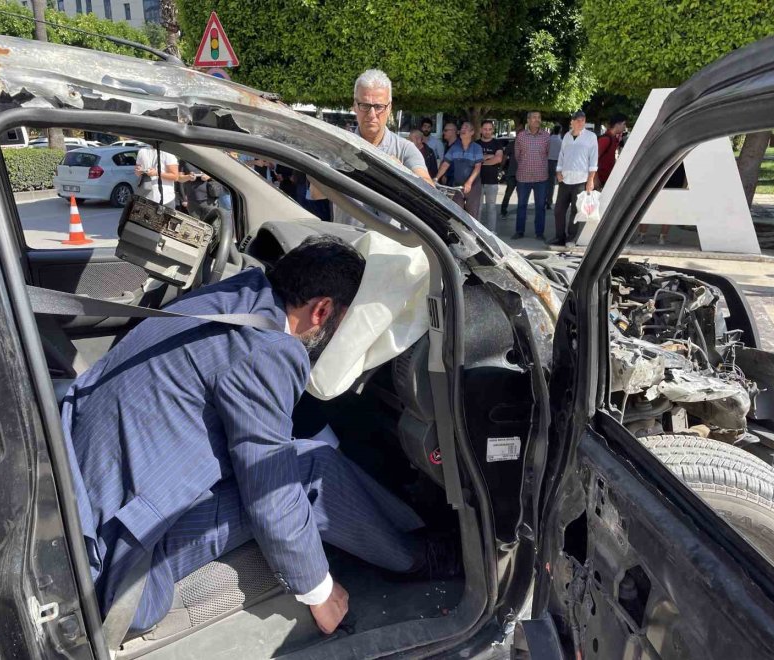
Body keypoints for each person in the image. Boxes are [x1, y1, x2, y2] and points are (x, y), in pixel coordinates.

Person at [62, 237, 456, 637]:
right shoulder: (267, 349)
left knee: (308, 461)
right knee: (307, 475)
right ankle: (415, 559)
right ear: (321, 310)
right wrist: (319, 591)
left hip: (90, 502)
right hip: (122, 572)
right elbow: (273, 495)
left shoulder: (233, 298)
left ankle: (411, 536)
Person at [350, 69, 432, 184]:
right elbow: (318, 195)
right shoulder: (339, 145)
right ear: (355, 106)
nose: (372, 114)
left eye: (378, 107)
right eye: (364, 105)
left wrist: (402, 175)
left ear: (389, 108)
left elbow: (429, 190)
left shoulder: (405, 149)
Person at [551, 110, 598, 246]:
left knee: (575, 211)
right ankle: (559, 237)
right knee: (559, 210)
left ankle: (571, 238)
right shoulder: (566, 136)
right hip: (565, 179)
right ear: (572, 122)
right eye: (578, 120)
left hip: (581, 179)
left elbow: (593, 160)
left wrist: (590, 180)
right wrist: (558, 171)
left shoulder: (591, 137)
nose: (580, 122)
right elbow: (562, 155)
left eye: (583, 120)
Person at [513, 111, 550, 240]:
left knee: (540, 207)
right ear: (528, 120)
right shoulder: (521, 136)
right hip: (523, 177)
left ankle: (539, 233)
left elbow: (547, 154)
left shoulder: (546, 137)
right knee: (521, 205)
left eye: (539, 117)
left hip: (541, 178)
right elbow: (517, 155)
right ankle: (519, 231)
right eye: (534, 117)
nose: (537, 120)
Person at [435, 122, 483, 219]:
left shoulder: (477, 148)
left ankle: (471, 233)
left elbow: (478, 167)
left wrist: (469, 183)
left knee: (472, 214)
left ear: (472, 132)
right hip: (457, 186)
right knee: (456, 213)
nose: (463, 129)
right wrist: (436, 178)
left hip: (473, 186)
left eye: (466, 127)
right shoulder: (454, 147)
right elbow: (445, 164)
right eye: (462, 127)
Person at [477, 120, 504, 232]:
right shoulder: (476, 144)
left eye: (489, 129)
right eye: (485, 129)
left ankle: (491, 232)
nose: (487, 131)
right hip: (477, 181)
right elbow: (474, 159)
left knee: (491, 208)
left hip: (492, 181)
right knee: (477, 208)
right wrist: (490, 156)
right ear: (481, 130)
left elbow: (498, 158)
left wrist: (482, 161)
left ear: (493, 130)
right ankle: (475, 232)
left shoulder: (497, 143)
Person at [596, 113, 627, 189]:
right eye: (624, 124)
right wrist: (594, 178)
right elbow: (592, 159)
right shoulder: (606, 139)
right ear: (617, 124)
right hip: (599, 181)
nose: (625, 127)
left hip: (605, 180)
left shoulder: (612, 139)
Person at [499, 121, 519, 218]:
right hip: (512, 173)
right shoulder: (512, 144)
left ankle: (506, 210)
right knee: (508, 194)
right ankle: (503, 210)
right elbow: (504, 156)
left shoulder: (525, 144)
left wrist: (501, 168)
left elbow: (504, 157)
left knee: (519, 195)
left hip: (521, 174)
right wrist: (501, 168)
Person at [546, 124, 563, 209]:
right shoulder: (561, 141)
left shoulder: (548, 140)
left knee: (548, 183)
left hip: (548, 162)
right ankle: (555, 202)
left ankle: (547, 201)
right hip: (558, 163)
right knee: (558, 184)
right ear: (560, 131)